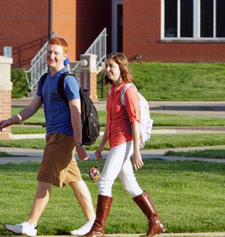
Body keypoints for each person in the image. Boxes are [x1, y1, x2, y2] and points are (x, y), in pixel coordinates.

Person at [0, 37, 96, 237]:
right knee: (75, 180)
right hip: (52, 135)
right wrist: (12, 120)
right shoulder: (45, 79)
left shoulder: (67, 79)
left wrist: (78, 143)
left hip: (64, 136)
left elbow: (76, 113)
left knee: (44, 178)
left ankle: (30, 225)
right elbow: (33, 106)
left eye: (56, 53)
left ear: (64, 56)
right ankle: (93, 222)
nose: (51, 56)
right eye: (49, 52)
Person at [82, 53, 165, 237]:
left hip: (125, 142)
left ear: (122, 68)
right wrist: (101, 146)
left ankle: (98, 229)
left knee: (104, 181)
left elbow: (135, 121)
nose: (108, 69)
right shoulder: (113, 91)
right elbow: (110, 122)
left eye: (112, 66)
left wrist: (136, 151)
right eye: (107, 66)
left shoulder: (129, 91)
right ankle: (155, 222)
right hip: (115, 142)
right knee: (130, 185)